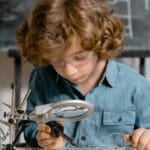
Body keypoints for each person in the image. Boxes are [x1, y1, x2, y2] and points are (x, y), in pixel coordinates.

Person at [16, 0, 150, 149]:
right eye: (57, 61)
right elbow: (29, 124)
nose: (69, 71)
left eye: (80, 58)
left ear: (101, 43)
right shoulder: (42, 77)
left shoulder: (136, 86)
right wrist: (41, 137)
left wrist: (147, 137)